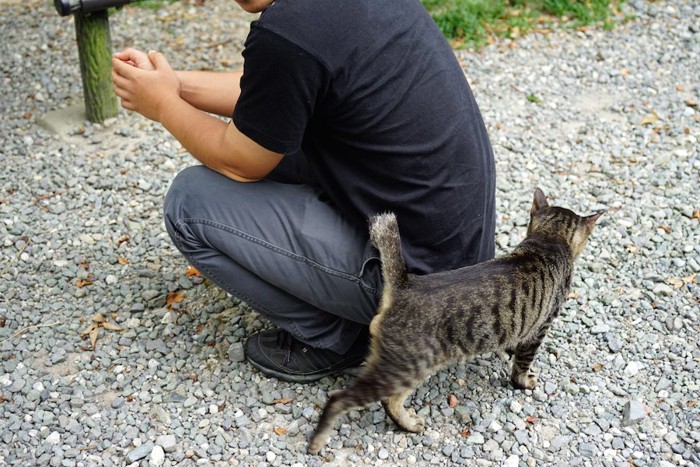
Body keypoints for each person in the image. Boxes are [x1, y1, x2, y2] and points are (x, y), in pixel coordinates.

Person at [111, 0, 496, 383]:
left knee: (189, 202)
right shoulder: (316, 19)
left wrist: (162, 104)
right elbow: (278, 88)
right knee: (284, 141)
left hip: (418, 294)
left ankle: (339, 336)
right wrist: (173, 83)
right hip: (466, 267)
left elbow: (238, 161)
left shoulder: (290, 29)